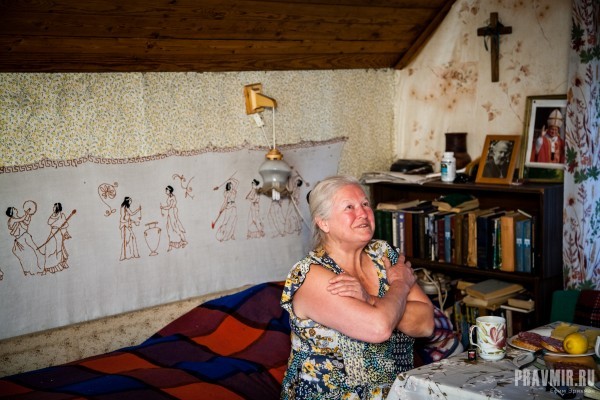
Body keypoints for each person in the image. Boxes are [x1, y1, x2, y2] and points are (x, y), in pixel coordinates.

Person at [280, 175, 434, 399]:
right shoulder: (312, 275)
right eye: (349, 207)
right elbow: (379, 328)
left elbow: (426, 323)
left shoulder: (383, 254)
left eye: (365, 204)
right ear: (323, 223)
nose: (363, 213)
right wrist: (400, 284)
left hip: (395, 393)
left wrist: (371, 300)